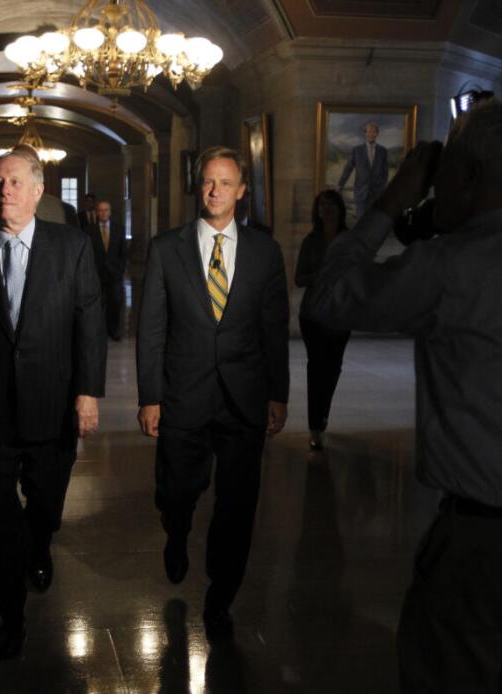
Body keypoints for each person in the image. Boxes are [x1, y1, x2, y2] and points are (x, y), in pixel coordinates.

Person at [308, 102, 502, 693]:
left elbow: (328, 298)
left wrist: (391, 201)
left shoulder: (454, 266)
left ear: (465, 176)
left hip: (483, 541)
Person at [0, 144, 105, 659]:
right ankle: (11, 616)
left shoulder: (71, 246)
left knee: (46, 504)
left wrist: (87, 392)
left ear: (38, 191)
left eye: (15, 182)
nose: (4, 190)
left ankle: (40, 543)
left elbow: (89, 323)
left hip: (53, 407)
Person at [136, 146, 290, 643]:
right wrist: (150, 396)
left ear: (241, 191)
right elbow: (151, 330)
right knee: (178, 489)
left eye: (225, 183)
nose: (215, 191)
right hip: (183, 394)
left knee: (238, 503)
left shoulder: (266, 252)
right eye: (207, 182)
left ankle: (222, 594)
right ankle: (176, 533)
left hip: (244, 397)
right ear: (197, 186)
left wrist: (278, 394)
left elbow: (273, 329)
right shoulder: (166, 248)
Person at [294, 189, 350, 450]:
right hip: (314, 315)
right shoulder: (311, 241)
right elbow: (299, 278)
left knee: (333, 368)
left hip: (339, 313)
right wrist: (321, 274)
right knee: (316, 368)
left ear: (339, 209)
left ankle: (323, 416)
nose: (326, 209)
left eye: (331, 205)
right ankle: (315, 425)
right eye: (322, 205)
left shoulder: (348, 239)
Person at [84, 199, 126, 341]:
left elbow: (124, 253)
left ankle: (114, 330)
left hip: (114, 273)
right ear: (97, 212)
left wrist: (120, 270)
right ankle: (99, 332)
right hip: (97, 273)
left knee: (115, 302)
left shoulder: (119, 229)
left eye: (106, 210)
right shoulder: (89, 230)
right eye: (100, 210)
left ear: (110, 212)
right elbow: (87, 253)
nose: (103, 213)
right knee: (98, 305)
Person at [336, 121, 389, 218]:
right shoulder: (357, 150)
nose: (371, 134)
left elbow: (385, 172)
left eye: (373, 132)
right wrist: (340, 184)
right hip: (361, 192)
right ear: (365, 134)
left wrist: (382, 187)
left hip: (377, 193)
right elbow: (348, 168)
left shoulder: (383, 151)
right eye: (368, 132)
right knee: (361, 222)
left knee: (374, 221)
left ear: (377, 134)